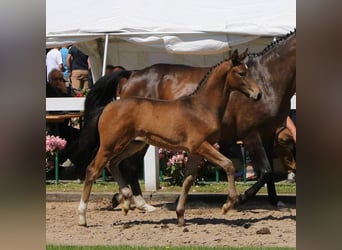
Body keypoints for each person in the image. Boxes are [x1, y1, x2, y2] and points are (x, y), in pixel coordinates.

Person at [274, 114, 296, 183]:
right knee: (279, 137)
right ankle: (291, 170)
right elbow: (285, 115)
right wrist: (294, 131)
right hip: (290, 126)